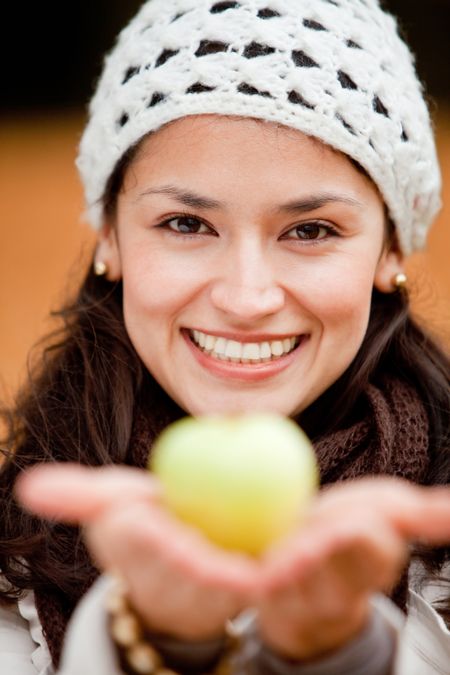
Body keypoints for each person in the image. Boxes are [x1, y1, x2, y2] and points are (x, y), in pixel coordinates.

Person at [0, 0, 449, 673]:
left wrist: (340, 652)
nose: (246, 297)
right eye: (186, 223)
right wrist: (156, 643)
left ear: (391, 250)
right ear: (110, 236)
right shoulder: (16, 562)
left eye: (311, 230)